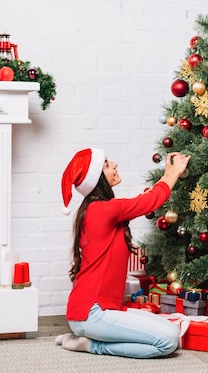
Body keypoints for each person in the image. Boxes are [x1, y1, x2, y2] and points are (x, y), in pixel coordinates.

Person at [56, 147, 191, 358]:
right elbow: (148, 202)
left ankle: (86, 338)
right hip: (92, 314)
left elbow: (143, 199)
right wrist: (173, 173)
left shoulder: (99, 209)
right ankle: (90, 345)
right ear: (97, 178)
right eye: (107, 164)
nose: (115, 164)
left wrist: (167, 174)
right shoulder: (102, 210)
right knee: (167, 341)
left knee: (173, 331)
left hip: (102, 310)